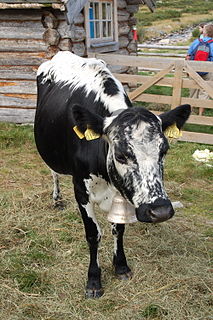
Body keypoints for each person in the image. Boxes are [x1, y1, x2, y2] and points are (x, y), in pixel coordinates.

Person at [187, 24, 213, 115]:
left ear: (204, 32)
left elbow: (189, 54)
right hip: (208, 70)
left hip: (194, 69)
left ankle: (189, 112)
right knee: (205, 91)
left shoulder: (197, 41)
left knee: (193, 91)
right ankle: (200, 114)